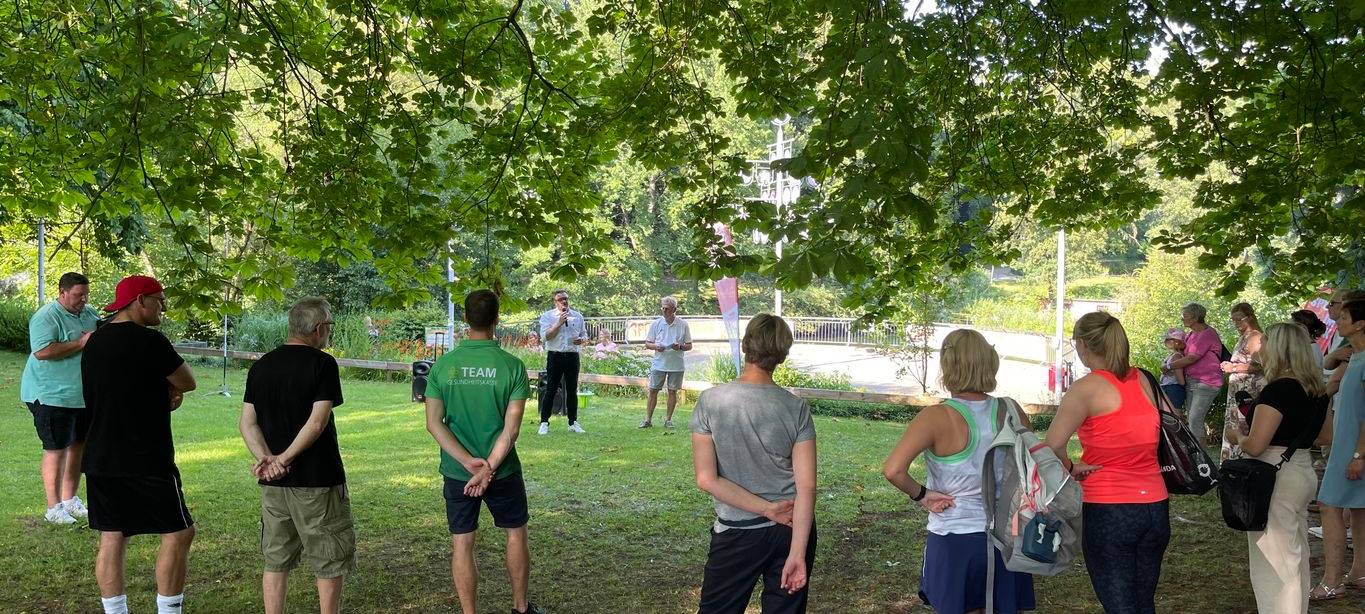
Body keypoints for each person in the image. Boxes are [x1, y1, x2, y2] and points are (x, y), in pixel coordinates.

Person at [882, 329, 1036, 614]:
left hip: (955, 536)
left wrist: (923, 495)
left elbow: (893, 470)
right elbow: (1032, 463)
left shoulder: (936, 417)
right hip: (1007, 536)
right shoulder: (1011, 409)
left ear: (947, 365)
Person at [80, 275, 197, 614]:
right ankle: (169, 610)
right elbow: (186, 381)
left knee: (113, 535)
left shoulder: (95, 342)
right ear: (140, 300)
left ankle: (115, 611)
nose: (164, 306)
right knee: (179, 532)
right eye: (160, 299)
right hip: (147, 456)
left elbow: (118, 388)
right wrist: (169, 393)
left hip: (100, 454)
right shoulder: (150, 341)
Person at [425, 290, 543, 614]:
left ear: (465, 319)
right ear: (496, 319)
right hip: (501, 470)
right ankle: (520, 607)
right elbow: (512, 430)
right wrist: (488, 467)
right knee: (515, 534)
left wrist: (467, 463)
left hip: (457, 473)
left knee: (462, 542)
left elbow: (434, 424)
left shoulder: (443, 367)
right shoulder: (513, 367)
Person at [691, 314, 816, 614]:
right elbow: (807, 485)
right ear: (782, 356)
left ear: (746, 345)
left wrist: (764, 509)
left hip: (738, 531)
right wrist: (798, 551)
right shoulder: (796, 408)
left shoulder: (710, 401)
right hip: (792, 528)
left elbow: (706, 479)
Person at [1044, 312, 1168, 614]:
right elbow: (1173, 424)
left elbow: (1052, 445)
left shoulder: (1086, 388)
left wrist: (1072, 468)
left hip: (1109, 507)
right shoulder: (1145, 379)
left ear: (1084, 344)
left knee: (1120, 605)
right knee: (1143, 600)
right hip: (1155, 505)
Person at [238, 298, 354, 614]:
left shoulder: (261, 365)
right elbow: (317, 422)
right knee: (329, 558)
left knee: (276, 559)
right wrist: (283, 459)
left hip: (274, 485)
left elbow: (247, 422)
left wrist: (267, 459)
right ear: (319, 329)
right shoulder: (323, 364)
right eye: (329, 326)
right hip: (318, 480)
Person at [1223, 323, 1330, 612]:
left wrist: (1237, 437)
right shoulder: (1317, 390)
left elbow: (1256, 445)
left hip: (1273, 473)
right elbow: (1325, 436)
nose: (1262, 347)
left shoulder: (1277, 390)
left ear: (1279, 348)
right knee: (1294, 552)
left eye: (1267, 342)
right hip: (1302, 468)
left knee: (1274, 561)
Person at [20, 272, 99, 524]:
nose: (83, 300)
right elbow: (42, 352)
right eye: (78, 295)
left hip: (80, 395)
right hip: (49, 395)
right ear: (62, 293)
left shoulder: (89, 314)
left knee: (78, 446)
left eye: (85, 295)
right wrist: (80, 343)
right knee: (56, 449)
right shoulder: (46, 316)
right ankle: (53, 507)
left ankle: (70, 500)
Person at [1313, 298, 1365, 600]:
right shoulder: (1353, 357)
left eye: (1343, 316)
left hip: (1355, 451)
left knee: (1328, 504)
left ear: (1359, 324)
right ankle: (1359, 571)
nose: (1338, 321)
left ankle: (1332, 581)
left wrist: (1359, 455)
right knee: (1359, 509)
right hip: (1347, 448)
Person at [1168, 303, 1224, 446]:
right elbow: (1183, 354)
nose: (1182, 319)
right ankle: (1197, 455)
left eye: (1185, 316)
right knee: (1193, 421)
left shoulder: (1207, 333)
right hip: (1192, 381)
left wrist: (1169, 366)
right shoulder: (1191, 334)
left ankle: (1201, 460)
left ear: (1195, 317)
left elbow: (1192, 358)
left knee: (1194, 420)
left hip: (1207, 382)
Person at [537, 289, 588, 435]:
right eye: (560, 299)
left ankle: (573, 422)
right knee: (551, 389)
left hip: (572, 356)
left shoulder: (577, 316)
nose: (564, 301)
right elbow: (545, 337)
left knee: (572, 390)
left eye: (566, 298)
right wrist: (559, 323)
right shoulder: (548, 316)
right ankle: (544, 422)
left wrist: (582, 340)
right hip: (555, 355)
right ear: (555, 301)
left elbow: (584, 335)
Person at [1221, 303, 1267, 461]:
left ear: (1250, 317)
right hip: (1239, 392)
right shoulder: (1243, 337)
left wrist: (1233, 368)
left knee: (1244, 426)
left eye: (1239, 319)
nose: (1236, 324)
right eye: (1233, 320)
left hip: (1248, 393)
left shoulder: (1255, 337)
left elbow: (1260, 365)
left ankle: (1243, 462)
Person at [641, 296, 693, 429]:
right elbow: (648, 343)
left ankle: (668, 420)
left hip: (676, 364)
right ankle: (648, 420)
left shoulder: (683, 324)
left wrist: (679, 347)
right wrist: (656, 346)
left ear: (674, 309)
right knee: (653, 390)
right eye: (663, 308)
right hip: (659, 363)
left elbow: (689, 345)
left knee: (672, 391)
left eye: (667, 309)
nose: (664, 311)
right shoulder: (656, 323)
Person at [1158, 328, 1187, 410]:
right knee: (1171, 414)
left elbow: (1181, 381)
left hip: (1173, 388)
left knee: (1175, 413)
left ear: (1176, 342)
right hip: (1169, 388)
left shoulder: (1176, 356)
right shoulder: (1173, 355)